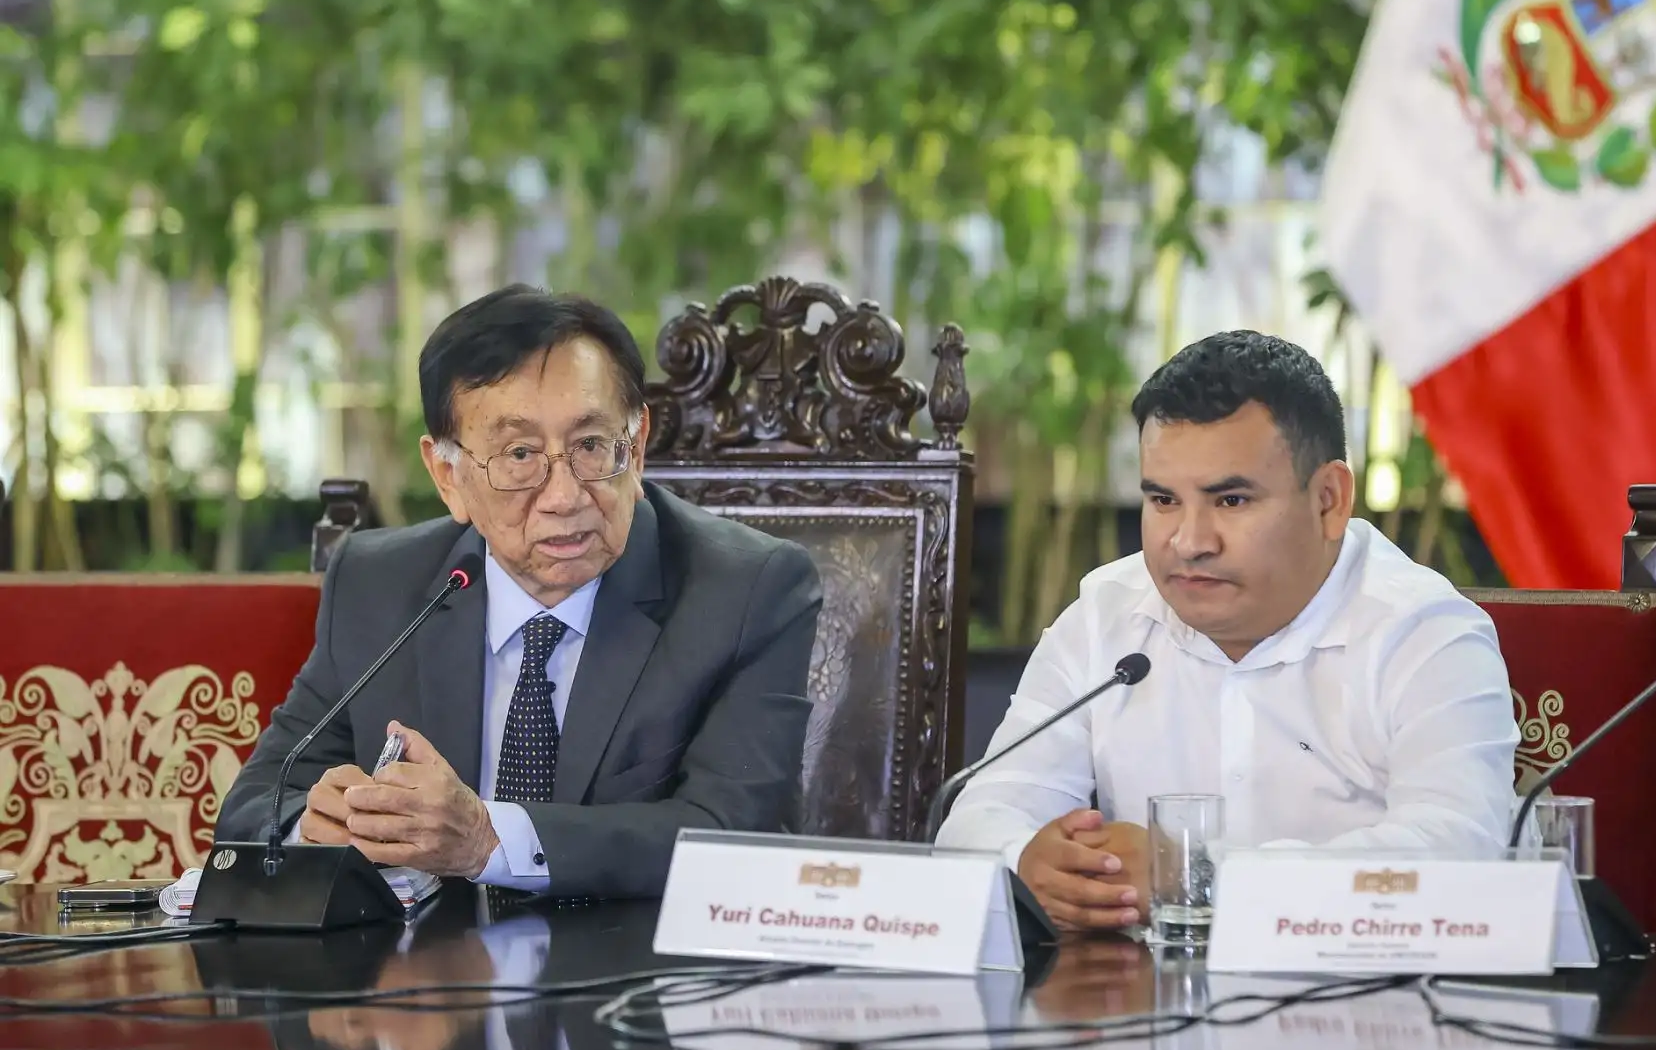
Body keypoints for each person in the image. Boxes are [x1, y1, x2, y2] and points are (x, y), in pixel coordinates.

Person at [216, 285, 823, 899]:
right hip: (425, 979)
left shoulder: (747, 589)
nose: (564, 497)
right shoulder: (380, 584)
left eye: (590, 446)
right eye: (520, 455)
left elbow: (738, 842)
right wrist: (312, 828)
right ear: (447, 477)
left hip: (636, 979)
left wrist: (489, 841)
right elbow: (254, 808)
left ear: (635, 449)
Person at [935, 331, 1520, 931]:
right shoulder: (1105, 618)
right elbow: (980, 818)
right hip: (1134, 1008)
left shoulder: (1426, 635)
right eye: (1163, 500)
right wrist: (1029, 862)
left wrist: (1196, 873)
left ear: (1328, 500)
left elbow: (1459, 855)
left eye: (1232, 501)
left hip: (1363, 1008)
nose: (1189, 542)